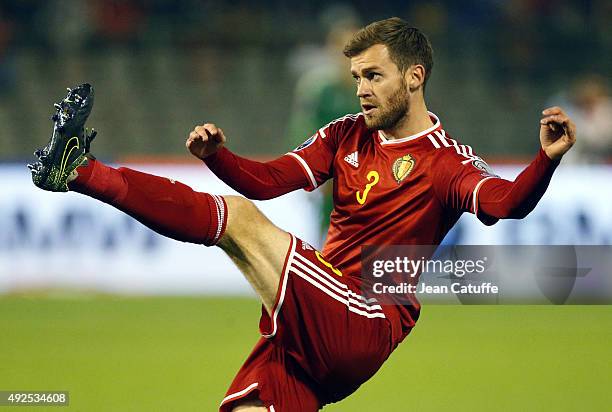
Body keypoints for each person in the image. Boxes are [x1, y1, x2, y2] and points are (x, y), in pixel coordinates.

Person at [30, 17, 576, 412]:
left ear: (414, 77)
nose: (361, 89)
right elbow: (269, 181)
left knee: (238, 222)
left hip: (366, 313)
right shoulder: (344, 134)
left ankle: (79, 172)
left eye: (374, 76)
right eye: (357, 77)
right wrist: (217, 157)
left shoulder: (444, 162)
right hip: (312, 327)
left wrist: (544, 161)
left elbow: (505, 204)